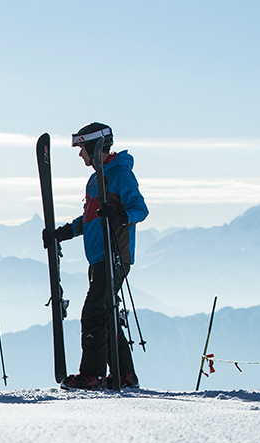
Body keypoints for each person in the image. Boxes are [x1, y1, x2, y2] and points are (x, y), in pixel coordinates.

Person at [43, 122, 149, 390]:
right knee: (106, 313)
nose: (80, 155)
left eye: (82, 149)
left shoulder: (120, 174)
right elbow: (90, 218)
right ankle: (125, 375)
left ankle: (92, 374)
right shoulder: (95, 179)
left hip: (114, 256)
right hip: (98, 257)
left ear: (94, 147)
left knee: (93, 312)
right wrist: (65, 232)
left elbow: (140, 209)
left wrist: (121, 216)